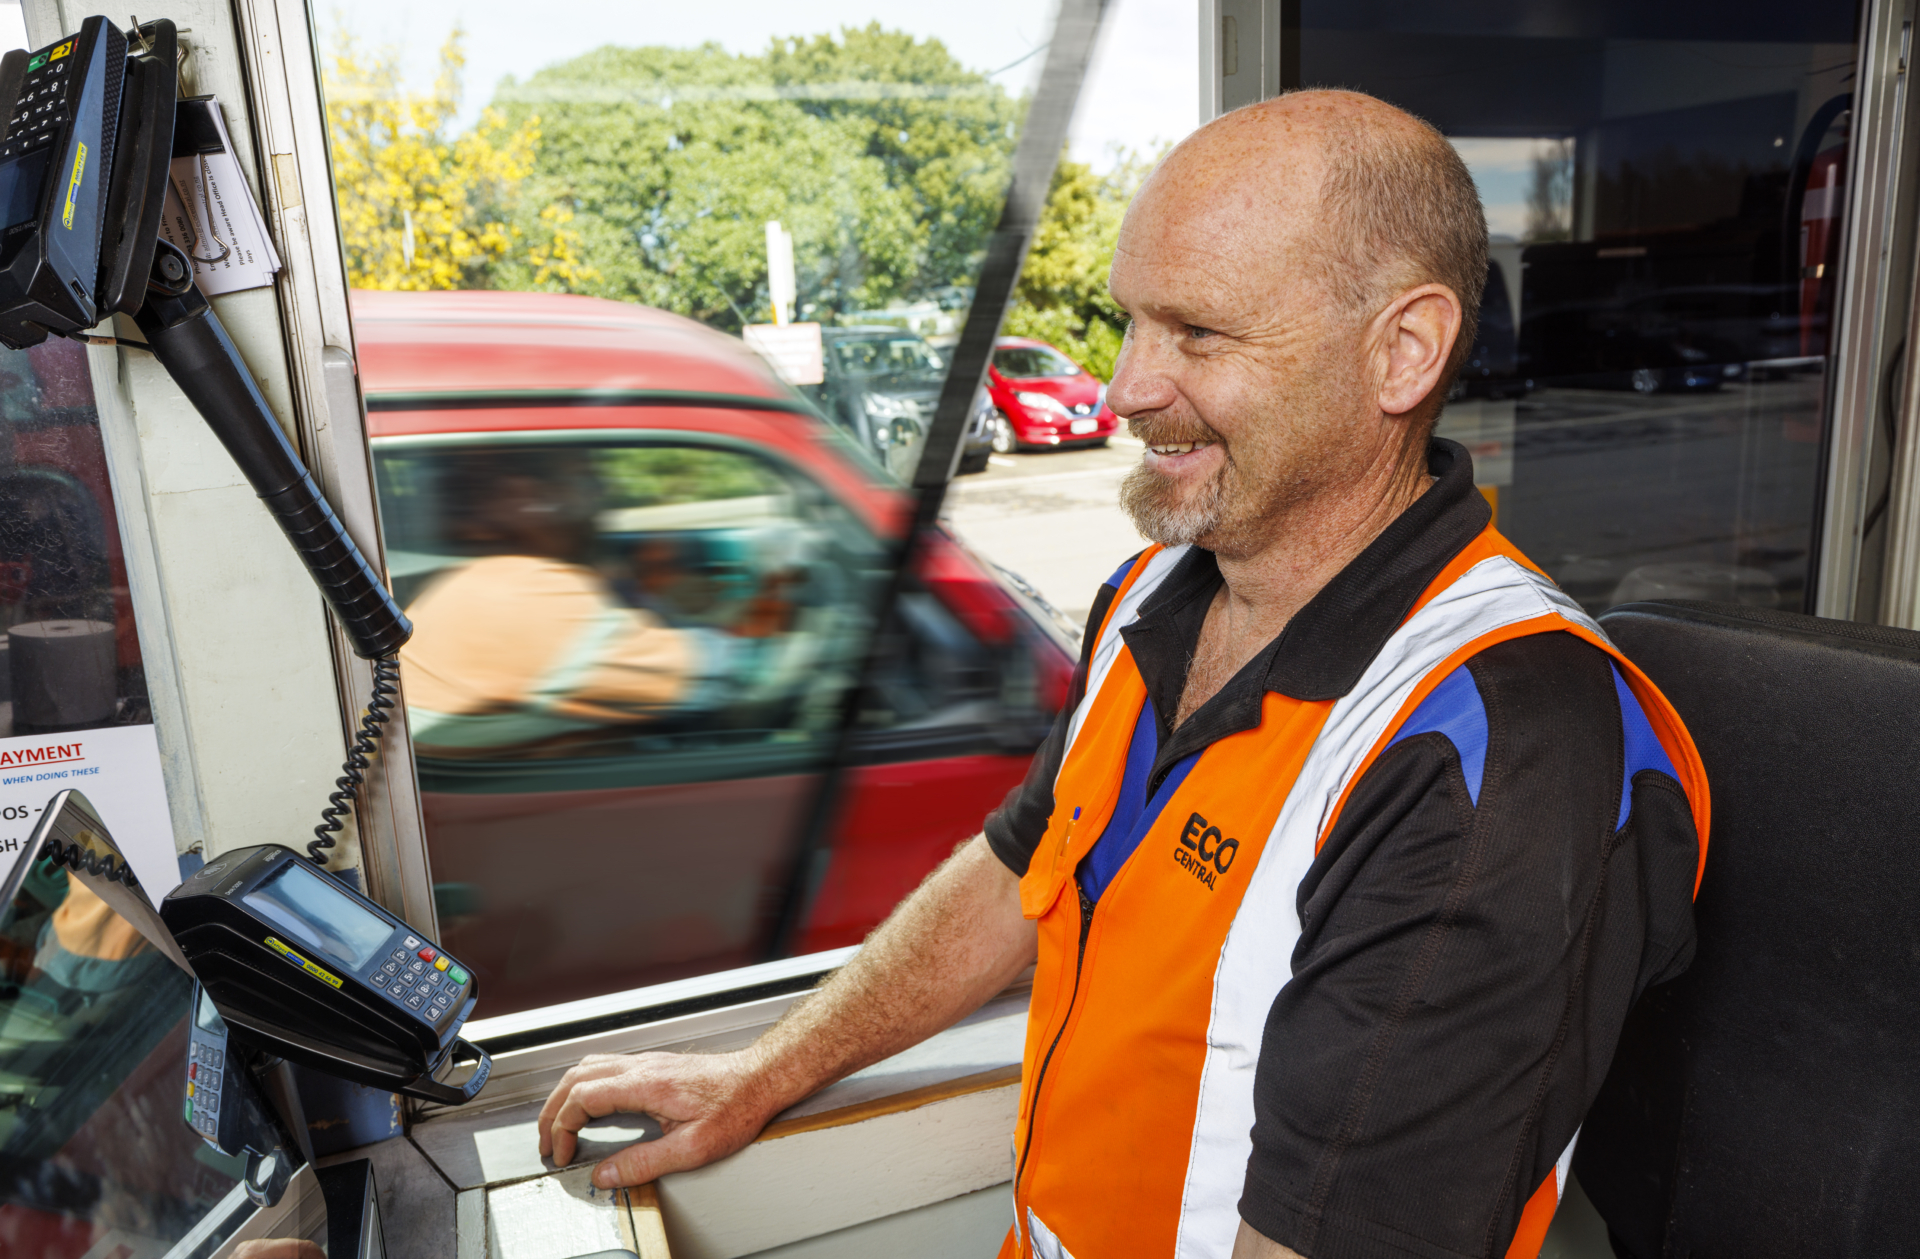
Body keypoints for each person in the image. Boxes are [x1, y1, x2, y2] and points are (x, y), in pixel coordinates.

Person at [534, 91, 1709, 1259]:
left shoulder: (1493, 749)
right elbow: (1018, 875)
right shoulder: (1155, 593)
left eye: (1198, 334)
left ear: (1400, 351)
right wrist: (759, 1073)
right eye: (1132, 323)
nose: (1125, 389)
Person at [399, 448, 800, 756]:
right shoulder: (518, 596)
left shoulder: (477, 581)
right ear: (521, 496)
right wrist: (781, 600)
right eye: (583, 480)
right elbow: (733, 674)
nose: (600, 498)